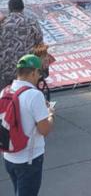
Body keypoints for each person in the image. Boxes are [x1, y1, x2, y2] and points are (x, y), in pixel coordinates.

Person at [1, 54, 55, 196]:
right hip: (29, 159)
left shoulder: (4, 92)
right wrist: (50, 114)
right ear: (33, 72)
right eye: (39, 73)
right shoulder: (34, 95)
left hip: (9, 157)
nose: (39, 77)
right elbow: (44, 130)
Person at [0, 0, 44, 90]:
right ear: (23, 8)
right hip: (26, 69)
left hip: (6, 70)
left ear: (9, 9)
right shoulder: (32, 22)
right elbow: (40, 43)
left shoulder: (3, 23)